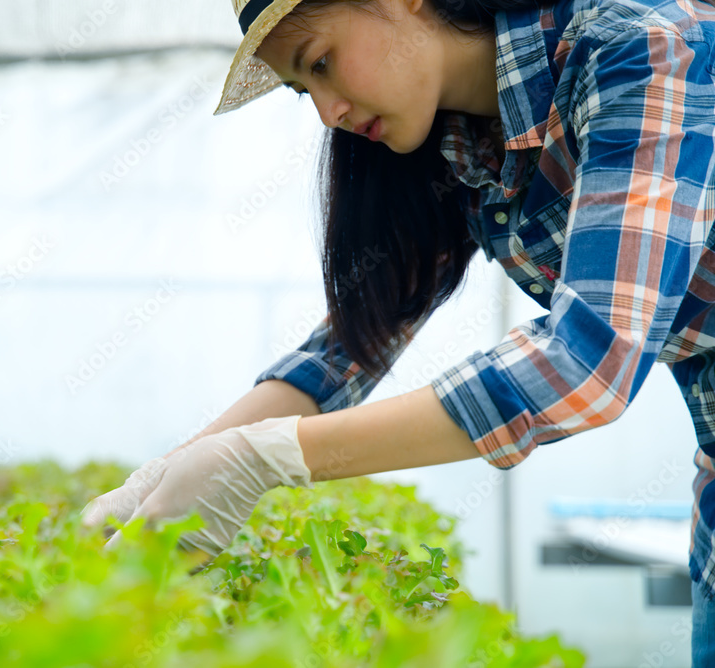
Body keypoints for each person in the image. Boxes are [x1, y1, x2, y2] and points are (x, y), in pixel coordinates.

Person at [81, 0, 715, 660]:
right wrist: (172, 471)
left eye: (321, 62)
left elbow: (583, 366)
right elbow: (356, 340)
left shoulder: (643, 52)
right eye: (306, 90)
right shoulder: (460, 137)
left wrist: (264, 458)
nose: (329, 112)